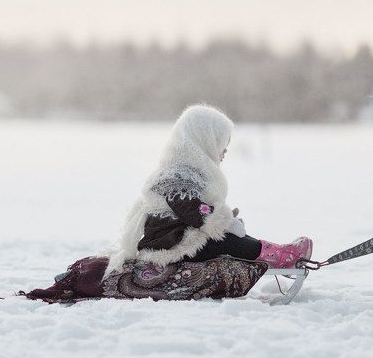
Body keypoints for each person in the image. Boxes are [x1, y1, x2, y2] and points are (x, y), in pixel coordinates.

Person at [104, 104, 312, 277]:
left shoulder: (188, 168)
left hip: (177, 236)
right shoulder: (178, 172)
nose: (225, 151)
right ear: (204, 139)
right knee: (228, 242)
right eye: (222, 143)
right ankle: (280, 257)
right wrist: (222, 221)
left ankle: (275, 255)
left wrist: (224, 221)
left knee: (229, 239)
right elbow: (188, 206)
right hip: (170, 245)